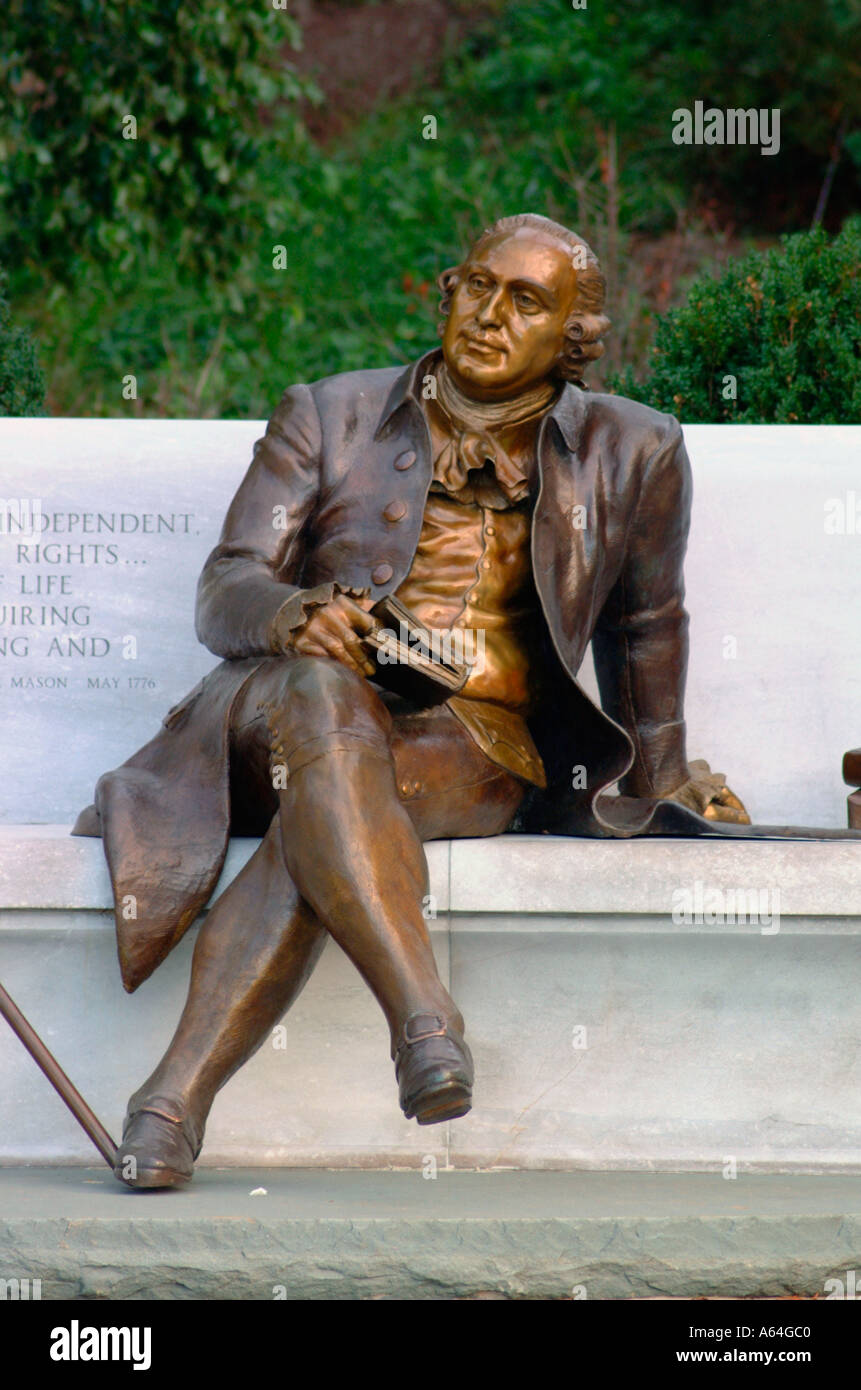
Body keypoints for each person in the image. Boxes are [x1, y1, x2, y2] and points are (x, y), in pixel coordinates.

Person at [73, 212, 747, 1189]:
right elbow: (225, 585)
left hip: (469, 748)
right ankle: (424, 1019)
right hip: (273, 712)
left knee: (333, 807)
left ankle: (169, 1101)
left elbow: (645, 627)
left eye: (525, 301)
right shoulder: (328, 412)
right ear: (447, 290)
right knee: (321, 699)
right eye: (476, 284)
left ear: (573, 336)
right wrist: (298, 613)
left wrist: (671, 770)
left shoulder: (635, 450)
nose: (488, 314)